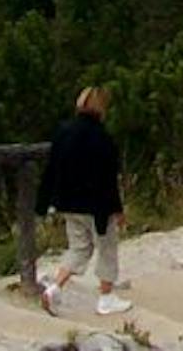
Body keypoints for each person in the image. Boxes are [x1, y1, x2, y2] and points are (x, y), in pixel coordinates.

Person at [36, 85, 129, 317]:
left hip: (68, 202)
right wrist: (117, 210)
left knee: (79, 248)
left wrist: (44, 201)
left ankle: (55, 288)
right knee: (106, 248)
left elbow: (51, 169)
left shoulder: (63, 132)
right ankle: (106, 298)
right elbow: (108, 179)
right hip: (96, 206)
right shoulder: (103, 138)